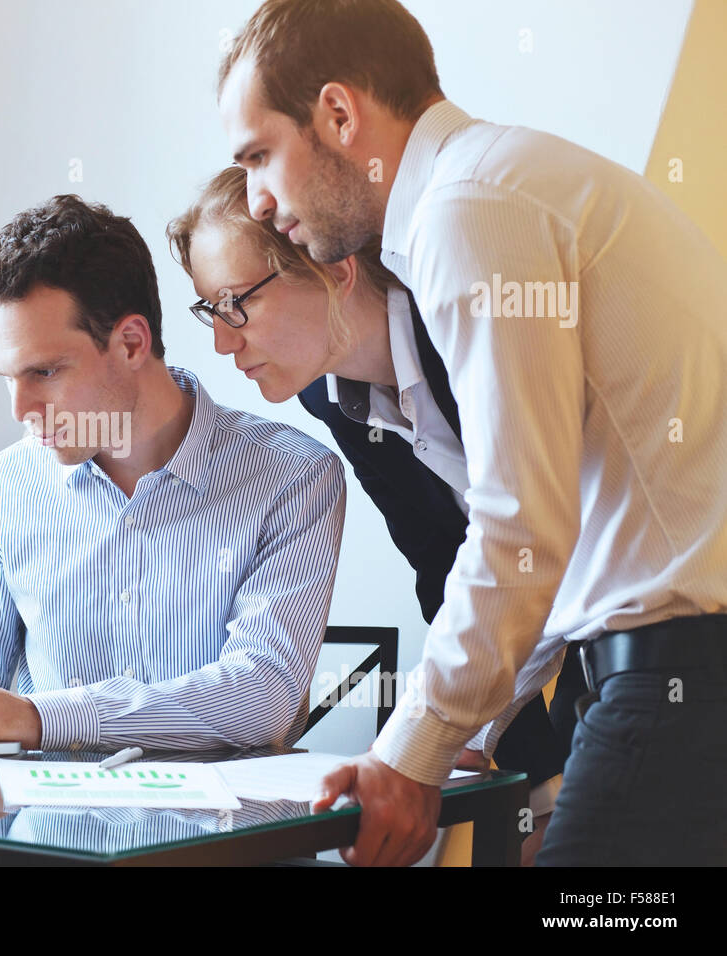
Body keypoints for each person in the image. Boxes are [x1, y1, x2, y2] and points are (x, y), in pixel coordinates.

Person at [216, 0, 727, 865]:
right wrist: (447, 739)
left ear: (339, 115)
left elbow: (522, 529)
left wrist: (411, 753)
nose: (260, 203)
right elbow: (557, 548)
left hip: (681, 676)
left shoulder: (468, 210)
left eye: (261, 155)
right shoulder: (502, 181)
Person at [166, 165, 582, 864]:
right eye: (209, 310)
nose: (222, 342)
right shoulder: (331, 395)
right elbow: (445, 570)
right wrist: (519, 772)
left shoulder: (464, 323)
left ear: (335, 267)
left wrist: (446, 748)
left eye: (235, 303)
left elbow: (534, 547)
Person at [0, 193, 347, 755]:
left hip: (217, 838)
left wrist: (40, 718)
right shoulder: (5, 488)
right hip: (42, 836)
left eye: (45, 372)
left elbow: (262, 698)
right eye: (6, 377)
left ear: (131, 342)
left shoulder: (292, 477)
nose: (20, 410)